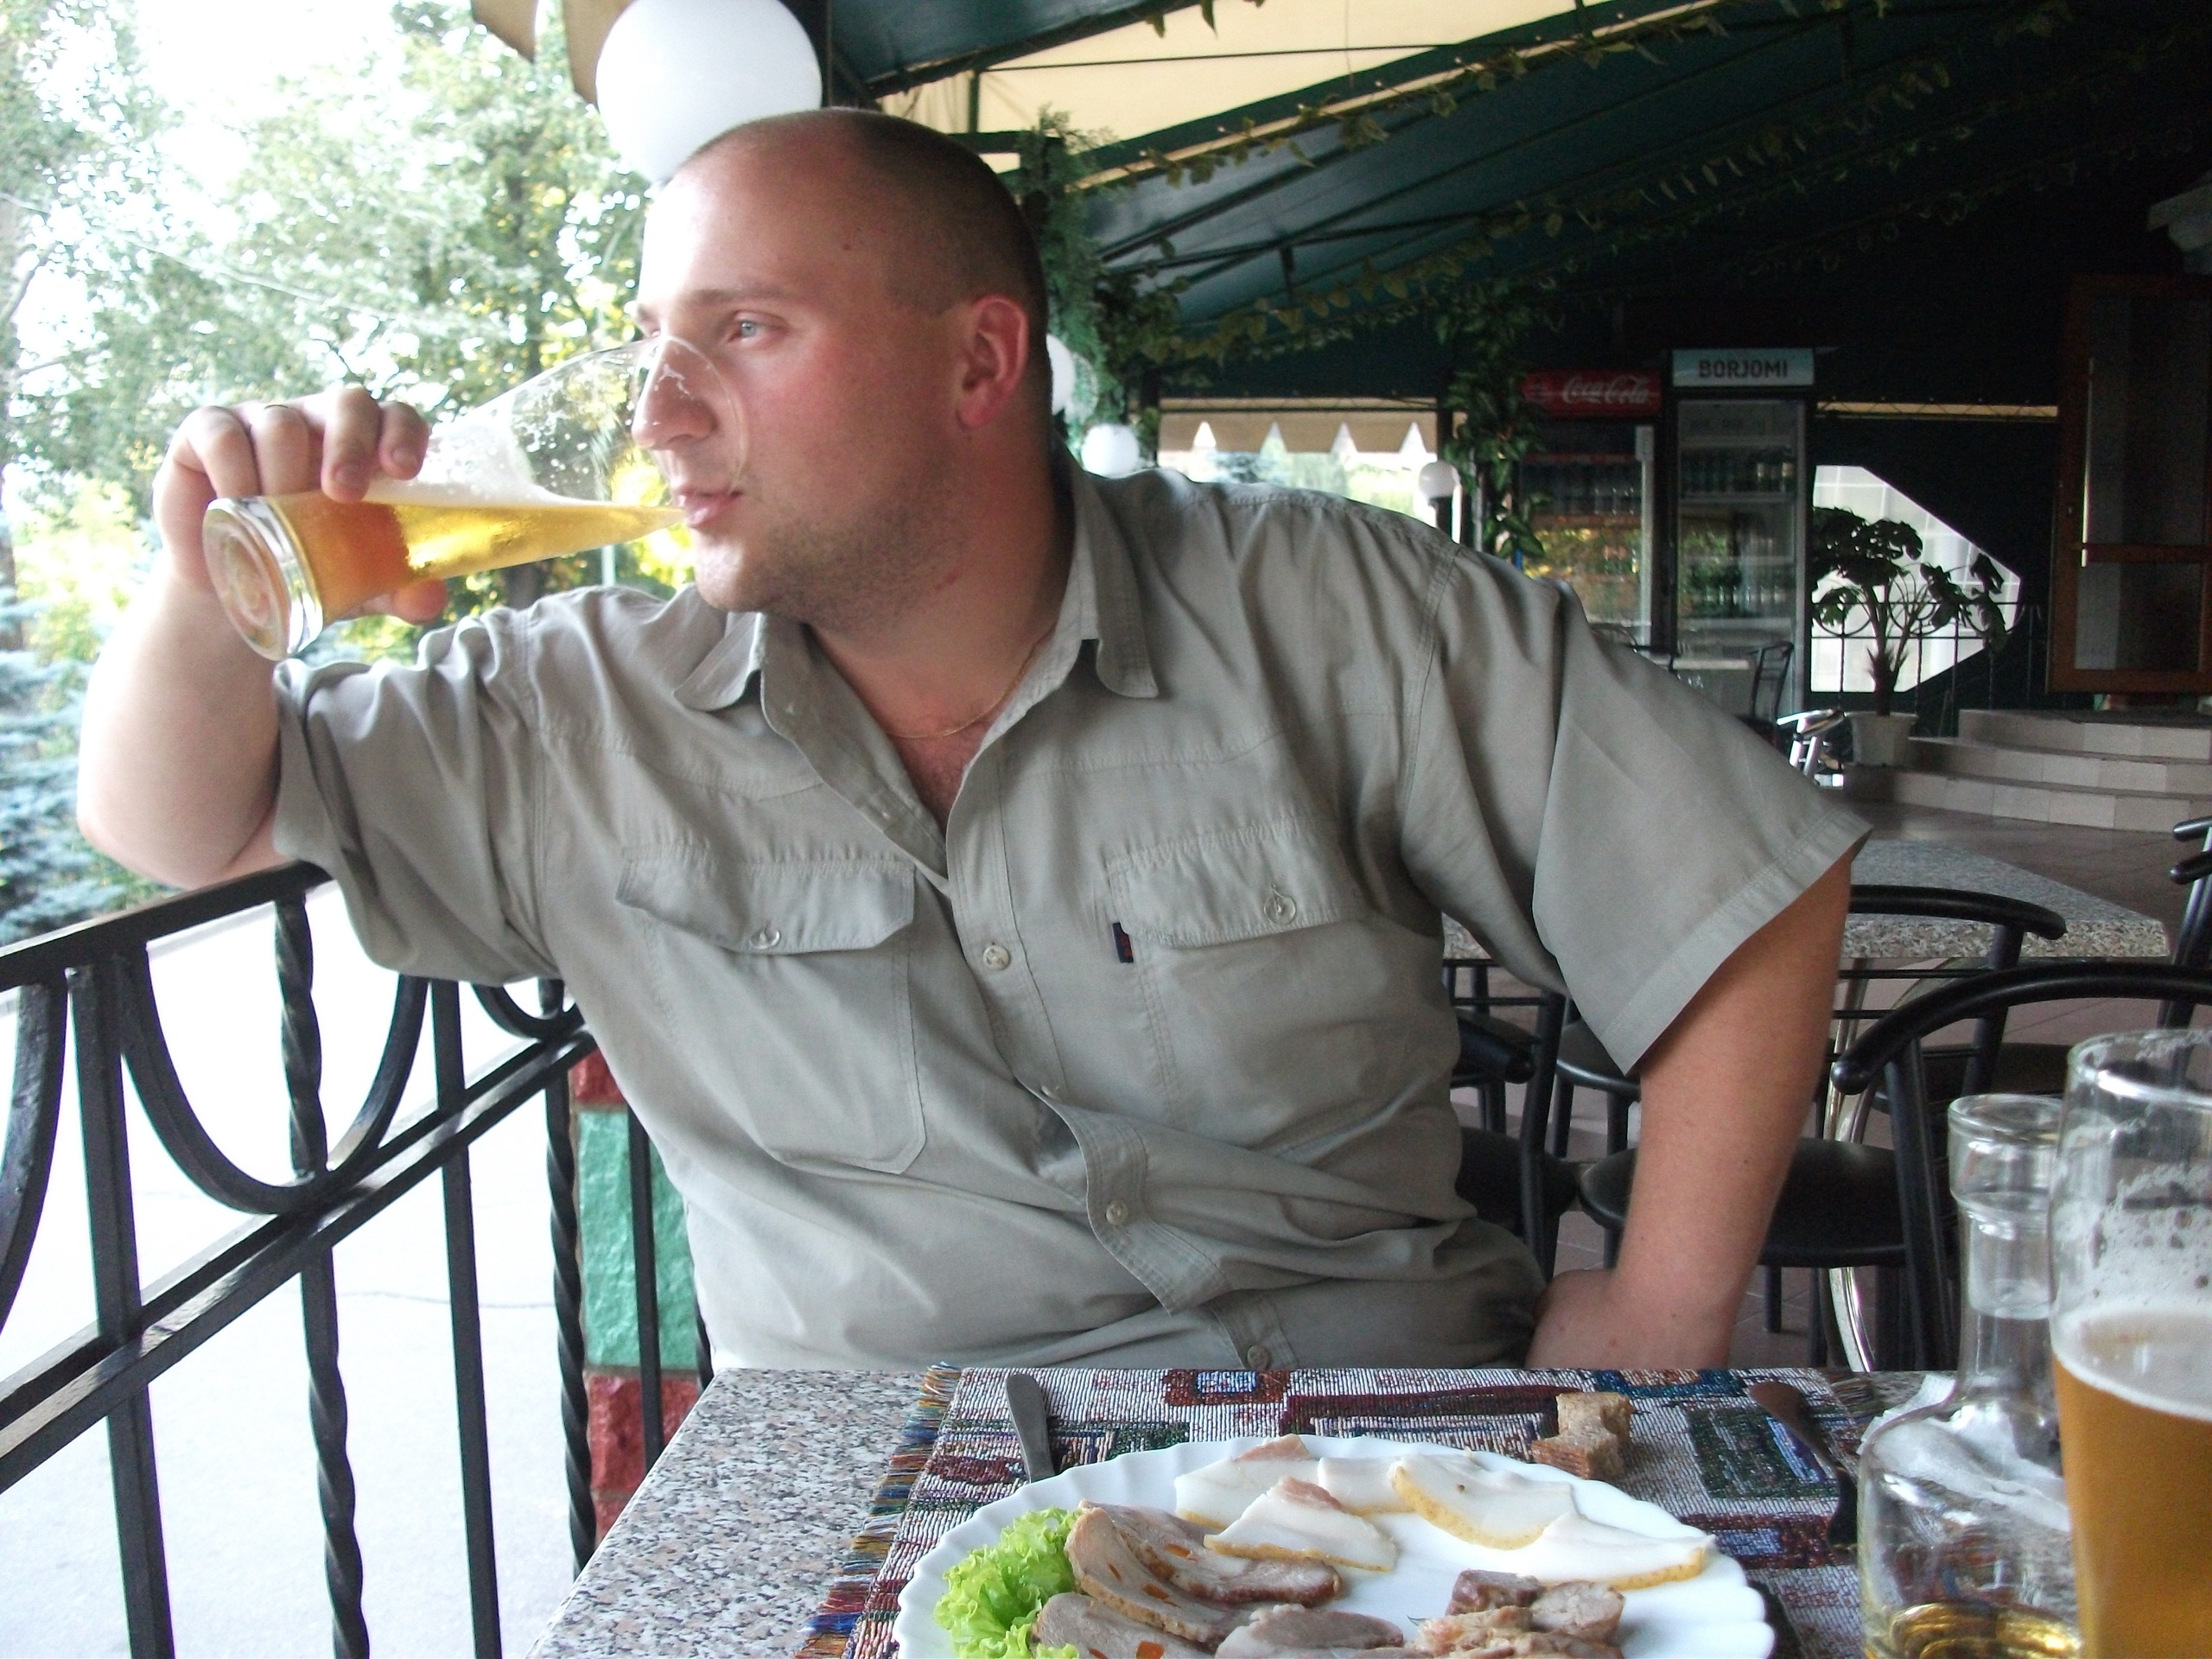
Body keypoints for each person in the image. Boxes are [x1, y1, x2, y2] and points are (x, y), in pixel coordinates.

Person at [78, 110, 1860, 1372]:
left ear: (978, 365)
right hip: (875, 1481)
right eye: (647, 348)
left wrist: (1653, 1319)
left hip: (1366, 1439)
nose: (659, 414)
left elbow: (1745, 883)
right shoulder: (571, 708)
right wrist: (207, 579)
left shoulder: (1324, 604)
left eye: (744, 332)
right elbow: (178, 823)